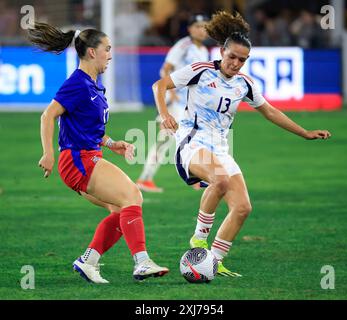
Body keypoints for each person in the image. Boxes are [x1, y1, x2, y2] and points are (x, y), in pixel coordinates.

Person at [152, 11, 331, 276]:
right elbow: (160, 85)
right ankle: (199, 240)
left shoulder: (244, 84)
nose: (236, 63)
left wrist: (304, 132)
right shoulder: (200, 71)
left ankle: (214, 260)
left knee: (243, 207)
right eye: (232, 57)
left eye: (242, 60)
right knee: (220, 180)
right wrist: (166, 115)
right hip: (192, 141)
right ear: (222, 51)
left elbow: (270, 112)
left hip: (220, 147)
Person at [28, 22, 169, 283]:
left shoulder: (94, 85)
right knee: (133, 195)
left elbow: (87, 127)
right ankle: (141, 262)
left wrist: (112, 143)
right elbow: (48, 116)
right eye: (107, 48)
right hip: (77, 160)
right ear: (92, 52)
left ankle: (89, 261)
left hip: (89, 156)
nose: (111, 54)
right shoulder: (78, 83)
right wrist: (48, 153)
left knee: (120, 210)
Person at [137, 14, 210, 193]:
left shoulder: (204, 51)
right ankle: (145, 179)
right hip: (175, 102)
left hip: (190, 103)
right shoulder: (183, 46)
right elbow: (166, 68)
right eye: (198, 26)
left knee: (183, 139)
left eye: (204, 26)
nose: (202, 30)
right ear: (190, 29)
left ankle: (191, 176)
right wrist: (170, 94)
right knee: (169, 140)